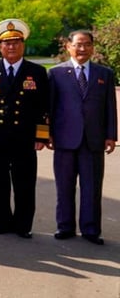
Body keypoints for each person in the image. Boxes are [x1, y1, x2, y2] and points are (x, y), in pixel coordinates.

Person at [0, 19, 49, 239]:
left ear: (23, 45)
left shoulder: (36, 71)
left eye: (16, 42)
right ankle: (0, 222)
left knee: (24, 183)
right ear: (0, 47)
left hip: (24, 136)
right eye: (6, 43)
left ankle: (23, 225)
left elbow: (43, 106)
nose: (11, 47)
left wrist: (42, 135)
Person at [48, 30, 117, 245]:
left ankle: (91, 229)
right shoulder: (56, 73)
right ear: (68, 46)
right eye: (78, 44)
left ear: (92, 48)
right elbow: (49, 108)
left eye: (87, 44)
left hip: (93, 140)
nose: (82, 49)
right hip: (64, 140)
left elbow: (110, 108)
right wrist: (47, 134)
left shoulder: (104, 74)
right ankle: (65, 226)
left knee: (92, 188)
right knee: (64, 186)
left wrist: (111, 135)